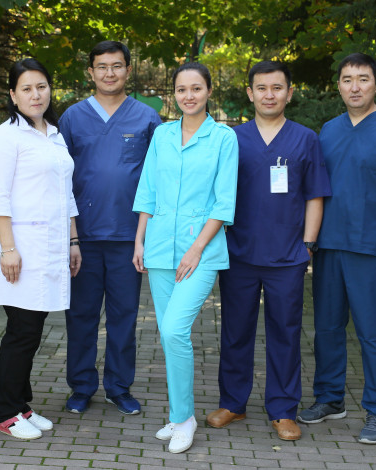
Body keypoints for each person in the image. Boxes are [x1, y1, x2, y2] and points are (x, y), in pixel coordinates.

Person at [298, 53, 376, 444]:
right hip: (330, 247)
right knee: (327, 329)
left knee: (375, 334)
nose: (355, 87)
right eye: (348, 79)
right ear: (338, 85)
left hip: (374, 250)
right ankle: (330, 398)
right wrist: (310, 239)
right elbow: (316, 190)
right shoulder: (329, 130)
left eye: (363, 79)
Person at [206, 61, 331, 441]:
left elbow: (315, 195)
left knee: (285, 334)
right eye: (261, 88)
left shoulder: (305, 139)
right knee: (235, 332)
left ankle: (283, 410)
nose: (269, 95)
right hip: (239, 254)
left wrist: (308, 244)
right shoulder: (232, 139)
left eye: (277, 88)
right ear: (250, 93)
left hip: (287, 257)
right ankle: (233, 403)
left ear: (289, 93)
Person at [132, 62, 238, 453]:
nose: (188, 96)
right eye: (181, 89)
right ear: (173, 94)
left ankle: (186, 417)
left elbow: (224, 202)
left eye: (196, 88)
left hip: (202, 251)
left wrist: (196, 249)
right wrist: (140, 241)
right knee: (167, 334)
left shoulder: (223, 138)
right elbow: (147, 190)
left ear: (209, 91)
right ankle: (179, 417)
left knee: (175, 330)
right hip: (160, 247)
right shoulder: (161, 134)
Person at [59, 41, 161, 415]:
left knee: (124, 316)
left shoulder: (147, 118)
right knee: (81, 316)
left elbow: (157, 178)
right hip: (82, 237)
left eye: (116, 66)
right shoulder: (72, 118)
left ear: (128, 70)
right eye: (101, 66)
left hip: (127, 236)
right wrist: (69, 235)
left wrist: (147, 237)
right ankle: (81, 386)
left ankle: (119, 387)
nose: (109, 73)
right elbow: (59, 178)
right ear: (91, 72)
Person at [0, 58, 81, 440]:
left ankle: (21, 405)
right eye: (26, 88)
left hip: (52, 245)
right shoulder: (5, 137)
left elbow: (66, 194)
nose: (35, 94)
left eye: (41, 86)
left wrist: (73, 240)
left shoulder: (54, 135)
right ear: (13, 95)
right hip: (21, 248)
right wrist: (7, 249)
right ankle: (5, 414)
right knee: (21, 331)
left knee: (33, 329)